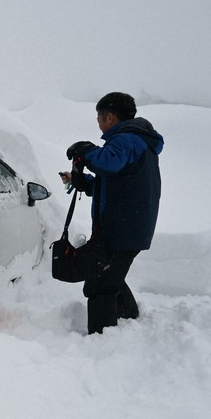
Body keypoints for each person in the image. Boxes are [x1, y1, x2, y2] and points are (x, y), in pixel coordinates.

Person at [59, 92, 164, 334]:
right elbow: (112, 182)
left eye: (99, 118)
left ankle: (101, 338)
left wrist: (86, 150)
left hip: (123, 229)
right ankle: (129, 316)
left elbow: (107, 163)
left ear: (109, 116)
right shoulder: (135, 142)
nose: (98, 123)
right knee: (110, 274)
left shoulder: (127, 140)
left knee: (99, 284)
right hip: (127, 227)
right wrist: (80, 180)